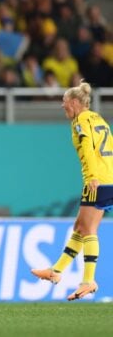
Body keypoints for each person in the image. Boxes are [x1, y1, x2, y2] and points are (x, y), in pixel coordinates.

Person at [31, 81, 113, 300]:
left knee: (88, 229)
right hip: (108, 177)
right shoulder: (98, 119)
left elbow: (87, 148)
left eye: (64, 102)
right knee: (79, 226)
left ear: (75, 102)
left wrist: (92, 177)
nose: (62, 106)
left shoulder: (80, 121)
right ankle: (56, 271)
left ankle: (88, 281)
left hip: (98, 180)